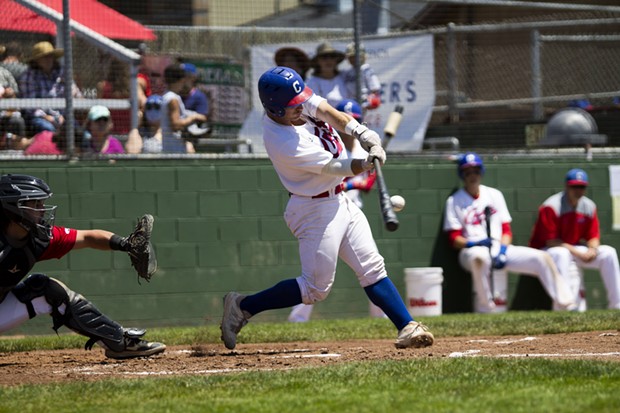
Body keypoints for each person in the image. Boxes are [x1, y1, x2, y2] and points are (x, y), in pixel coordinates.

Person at [220, 66, 434, 350]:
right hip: (313, 209)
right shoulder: (283, 142)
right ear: (274, 108)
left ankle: (407, 326)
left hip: (338, 200)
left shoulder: (292, 98)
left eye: (300, 102)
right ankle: (242, 306)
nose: (300, 108)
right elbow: (335, 167)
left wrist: (362, 132)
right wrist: (365, 164)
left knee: (372, 267)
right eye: (292, 107)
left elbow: (330, 112)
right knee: (315, 288)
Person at [0, 174, 165, 359]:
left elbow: (87, 237)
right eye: (35, 205)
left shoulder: (38, 239)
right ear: (13, 207)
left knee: (45, 288)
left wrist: (125, 244)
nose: (42, 210)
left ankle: (120, 342)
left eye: (41, 204)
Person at [286, 97, 382, 323]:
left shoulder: (362, 146)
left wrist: (363, 174)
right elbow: (332, 174)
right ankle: (298, 318)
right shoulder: (325, 141)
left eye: (356, 121)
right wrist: (351, 182)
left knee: (373, 265)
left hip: (350, 210)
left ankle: (382, 315)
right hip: (324, 212)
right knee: (318, 277)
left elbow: (367, 183)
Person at [443, 152, 576, 313]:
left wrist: (503, 250)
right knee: (480, 257)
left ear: (481, 171)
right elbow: (453, 239)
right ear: (462, 174)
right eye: (468, 172)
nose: (473, 175)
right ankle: (486, 309)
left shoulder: (494, 194)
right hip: (471, 250)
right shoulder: (455, 200)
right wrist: (473, 243)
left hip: (498, 246)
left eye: (476, 170)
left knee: (541, 257)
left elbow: (506, 230)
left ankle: (565, 304)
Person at [529, 168, 620, 310]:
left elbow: (593, 236)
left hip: (573, 249)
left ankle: (617, 305)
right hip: (547, 251)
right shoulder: (551, 206)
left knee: (609, 253)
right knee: (562, 253)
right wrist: (579, 253)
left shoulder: (589, 206)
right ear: (567, 186)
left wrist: (593, 249)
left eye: (581, 186)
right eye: (574, 186)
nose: (578, 190)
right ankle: (564, 306)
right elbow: (551, 241)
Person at [18, 41, 82, 135]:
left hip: (63, 117)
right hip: (40, 118)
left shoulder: (62, 73)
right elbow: (30, 105)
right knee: (49, 130)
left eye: (50, 56)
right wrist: (47, 117)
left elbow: (76, 94)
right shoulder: (28, 76)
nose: (48, 59)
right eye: (44, 57)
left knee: (80, 134)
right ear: (37, 60)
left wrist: (64, 115)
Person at [160, 63, 207, 153]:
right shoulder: (173, 99)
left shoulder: (165, 96)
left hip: (168, 147)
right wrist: (194, 117)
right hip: (175, 150)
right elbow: (176, 125)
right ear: (182, 80)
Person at [305, 42, 348, 108]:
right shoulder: (312, 82)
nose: (329, 60)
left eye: (332, 57)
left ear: (336, 60)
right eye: (324, 57)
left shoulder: (344, 76)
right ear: (317, 61)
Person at [342, 42, 381, 111]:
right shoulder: (348, 72)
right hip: (351, 104)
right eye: (351, 57)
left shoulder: (366, 69)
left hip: (364, 103)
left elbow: (375, 89)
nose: (353, 59)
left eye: (356, 56)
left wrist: (370, 102)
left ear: (363, 56)